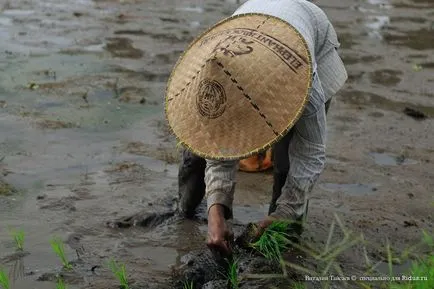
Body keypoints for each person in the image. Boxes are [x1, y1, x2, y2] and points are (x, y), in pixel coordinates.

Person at [165, 0, 348, 256]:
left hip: (308, 33)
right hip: (256, 21)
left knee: (286, 164)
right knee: (196, 149)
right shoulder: (213, 71)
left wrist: (282, 213)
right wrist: (216, 209)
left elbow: (311, 153)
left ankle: (282, 237)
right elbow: (219, 148)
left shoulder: (303, 79)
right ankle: (184, 211)